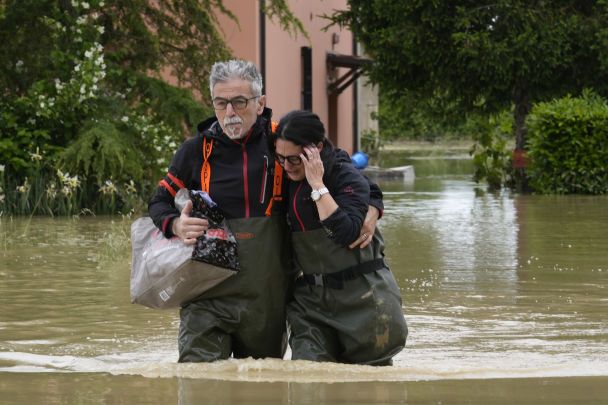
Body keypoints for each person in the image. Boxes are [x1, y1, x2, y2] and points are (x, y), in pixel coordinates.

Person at [148, 60, 382, 362]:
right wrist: (175, 226)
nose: (229, 113)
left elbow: (351, 177)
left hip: (268, 301)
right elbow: (158, 202)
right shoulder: (195, 151)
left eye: (239, 102)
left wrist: (374, 208)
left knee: (261, 385)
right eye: (221, 103)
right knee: (198, 381)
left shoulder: (284, 143)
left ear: (261, 103)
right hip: (205, 295)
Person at [273, 110, 408, 365]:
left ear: (317, 149)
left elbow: (345, 234)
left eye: (294, 159)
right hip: (311, 303)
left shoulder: (343, 174)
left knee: (369, 384)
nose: (286, 167)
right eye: (280, 158)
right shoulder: (287, 174)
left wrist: (317, 185)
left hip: (364, 300)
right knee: (307, 378)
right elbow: (373, 191)